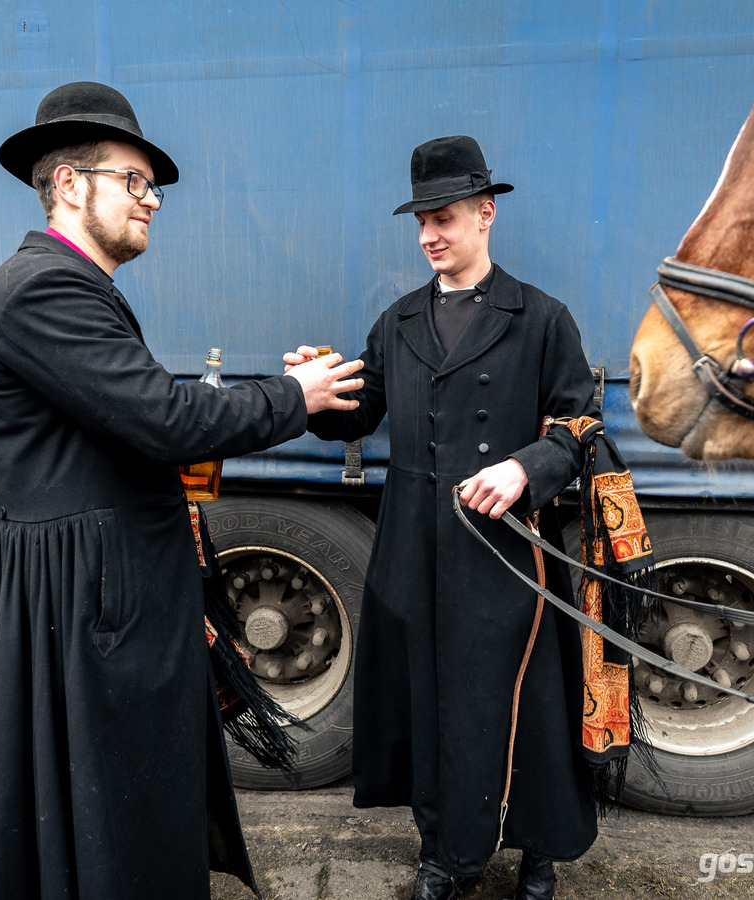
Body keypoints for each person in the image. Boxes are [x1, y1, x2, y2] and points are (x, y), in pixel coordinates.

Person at [0, 81, 365, 899]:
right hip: (85, 593)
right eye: (134, 182)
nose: (151, 202)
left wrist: (263, 399)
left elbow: (138, 416)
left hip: (86, 583)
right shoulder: (46, 289)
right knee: (112, 795)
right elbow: (166, 420)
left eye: (153, 188)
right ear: (69, 184)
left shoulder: (72, 286)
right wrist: (297, 398)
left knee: (101, 793)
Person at [288, 136, 600, 900]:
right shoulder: (397, 321)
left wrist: (526, 466)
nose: (430, 233)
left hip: (509, 553)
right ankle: (444, 853)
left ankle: (538, 851)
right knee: (434, 706)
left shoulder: (541, 317)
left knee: (525, 702)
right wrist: (313, 390)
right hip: (417, 551)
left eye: (446, 217)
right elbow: (357, 415)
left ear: (486, 214)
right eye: (421, 220)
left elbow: (582, 430)